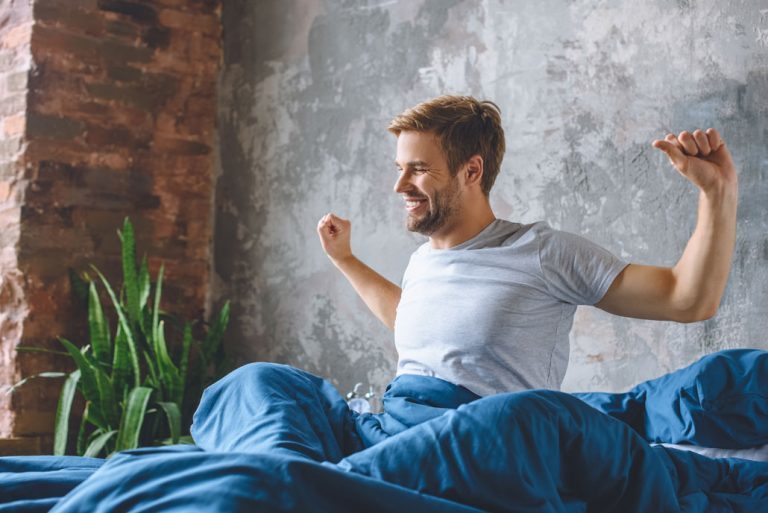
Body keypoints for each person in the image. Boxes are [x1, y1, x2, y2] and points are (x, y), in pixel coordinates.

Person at [316, 94, 738, 397]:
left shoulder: (540, 252)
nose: (399, 185)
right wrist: (346, 260)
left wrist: (717, 193)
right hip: (401, 424)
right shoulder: (421, 262)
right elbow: (411, 317)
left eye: (418, 169)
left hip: (482, 443)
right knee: (261, 382)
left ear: (471, 171)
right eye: (399, 168)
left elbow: (686, 300)